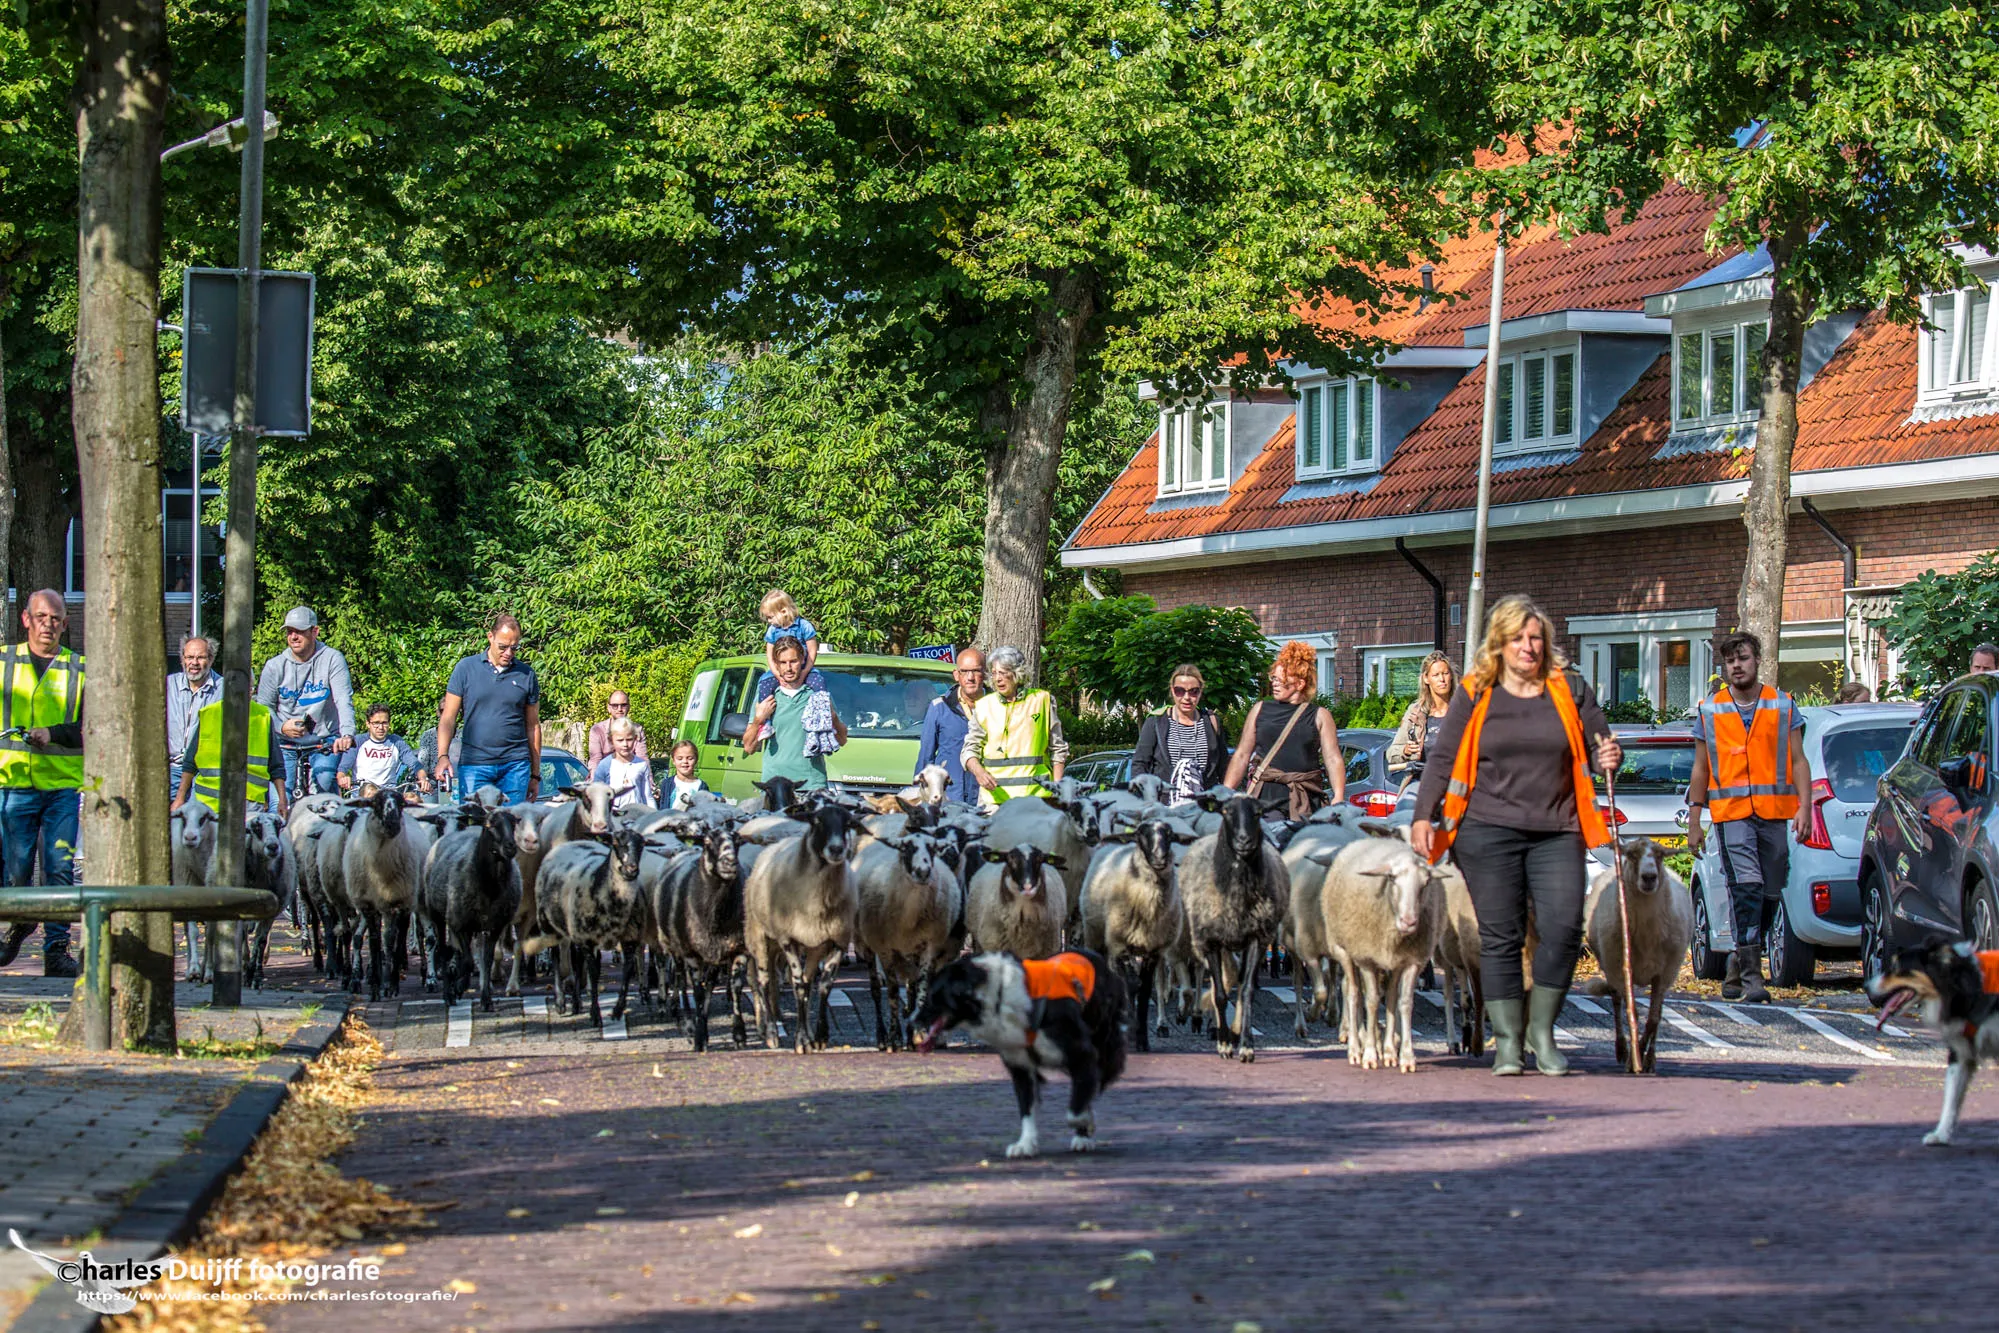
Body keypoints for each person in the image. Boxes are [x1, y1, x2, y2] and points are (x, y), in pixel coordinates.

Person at [1410, 594, 1623, 1076]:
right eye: (1518, 638)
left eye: (1536, 638)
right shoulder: (1475, 689)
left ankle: (1541, 1032)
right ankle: (1507, 1043)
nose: (1529, 647)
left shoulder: (1570, 687)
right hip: (1485, 829)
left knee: (1565, 928)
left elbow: (1601, 741)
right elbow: (1442, 758)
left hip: (1558, 827)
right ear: (1499, 644)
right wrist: (1424, 814)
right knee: (1500, 936)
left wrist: (1610, 756)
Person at [1685, 631, 1812, 1004]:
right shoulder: (1710, 710)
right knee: (1748, 886)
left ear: (1757, 660)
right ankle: (1755, 977)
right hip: (1732, 814)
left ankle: (1738, 965)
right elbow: (1700, 768)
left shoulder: (1782, 704)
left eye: (1743, 658)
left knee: (1771, 891)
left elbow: (1798, 760)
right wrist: (1695, 818)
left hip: (1774, 813)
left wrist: (1805, 806)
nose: (1736, 666)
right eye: (1730, 661)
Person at [0, 590, 85, 977]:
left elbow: (92, 727)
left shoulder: (79, 669)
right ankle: (21, 919)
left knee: (60, 867)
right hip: (13, 784)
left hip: (61, 788)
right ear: (26, 620)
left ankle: (56, 950)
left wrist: (53, 734)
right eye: (41, 617)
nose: (48, 625)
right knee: (15, 870)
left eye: (55, 619)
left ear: (65, 624)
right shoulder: (3, 662)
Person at [1222, 642, 1346, 816]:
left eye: (1280, 680)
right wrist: (1227, 791)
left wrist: (1338, 796)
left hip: (1306, 799)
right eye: (1273, 678)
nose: (1274, 684)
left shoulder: (1320, 715)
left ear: (1300, 683)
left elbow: (1332, 758)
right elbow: (1242, 754)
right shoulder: (1260, 709)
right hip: (1265, 799)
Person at [434, 612, 542, 804]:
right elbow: (448, 719)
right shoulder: (465, 669)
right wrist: (443, 755)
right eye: (503, 647)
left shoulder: (526, 675)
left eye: (514, 648)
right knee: (474, 827)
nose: (508, 653)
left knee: (512, 826)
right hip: (475, 764)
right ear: (490, 637)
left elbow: (533, 726)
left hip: (515, 765)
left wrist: (535, 774)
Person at [256, 606, 355, 797]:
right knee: (281, 796)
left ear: (314, 632)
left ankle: (332, 820)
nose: (293, 637)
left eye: (300, 631)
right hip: (285, 741)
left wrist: (347, 734)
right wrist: (281, 726)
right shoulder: (274, 666)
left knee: (325, 781)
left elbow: (343, 699)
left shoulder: (332, 659)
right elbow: (264, 707)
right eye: (289, 632)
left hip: (323, 739)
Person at [962, 645, 1068, 810]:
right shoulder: (983, 706)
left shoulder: (1042, 700)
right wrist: (979, 772)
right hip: (994, 802)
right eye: (995, 673)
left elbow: (1058, 750)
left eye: (1003, 672)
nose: (998, 679)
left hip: (1037, 800)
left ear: (1017, 673)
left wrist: (1058, 792)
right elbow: (969, 750)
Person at [746, 636, 847, 789]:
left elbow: (841, 740)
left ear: (802, 660)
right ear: (776, 664)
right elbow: (749, 748)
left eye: (793, 661)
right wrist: (758, 720)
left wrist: (832, 717)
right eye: (783, 662)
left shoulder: (817, 694)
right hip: (775, 785)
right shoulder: (767, 696)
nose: (788, 668)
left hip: (811, 785)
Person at [174, 694, 289, 817]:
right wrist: (179, 798)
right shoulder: (209, 714)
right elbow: (190, 763)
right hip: (208, 804)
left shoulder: (263, 717)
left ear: (252, 690)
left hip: (249, 804)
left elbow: (276, 765)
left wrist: (282, 800)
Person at [1132, 663, 1230, 801]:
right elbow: (1140, 764)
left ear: (1200, 691)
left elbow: (1223, 766)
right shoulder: (1156, 722)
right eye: (1180, 691)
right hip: (1165, 807)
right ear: (1172, 691)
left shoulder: (1211, 721)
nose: (1186, 697)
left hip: (1204, 807)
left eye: (1193, 691)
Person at [915, 647, 986, 803]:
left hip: (987, 797)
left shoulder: (998, 707)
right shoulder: (939, 707)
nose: (970, 677)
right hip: (950, 797)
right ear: (956, 675)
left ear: (985, 674)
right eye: (964, 671)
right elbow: (926, 758)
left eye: (976, 671)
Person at [1389, 651, 1459, 792]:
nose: (1442, 679)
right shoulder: (1415, 713)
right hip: (1421, 782)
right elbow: (1391, 753)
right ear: (1426, 679)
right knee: (1405, 807)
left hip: (1456, 782)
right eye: (1436, 675)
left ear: (1451, 676)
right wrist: (1406, 751)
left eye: (1445, 673)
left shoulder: (1463, 710)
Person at [166, 634, 221, 801]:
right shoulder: (168, 685)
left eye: (201, 657)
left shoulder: (224, 689)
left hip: (205, 772)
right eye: (189, 657)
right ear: (183, 659)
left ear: (211, 659)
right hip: (172, 768)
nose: (194, 663)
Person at [337, 704, 431, 794]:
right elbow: (342, 769)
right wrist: (343, 778)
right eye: (376, 723)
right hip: (362, 793)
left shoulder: (396, 742)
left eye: (384, 723)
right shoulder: (357, 741)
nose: (381, 727)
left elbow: (415, 765)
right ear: (368, 724)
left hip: (388, 793)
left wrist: (423, 779)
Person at [756, 589, 826, 703]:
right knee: (764, 683)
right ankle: (765, 718)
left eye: (771, 617)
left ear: (783, 611)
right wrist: (777, 674)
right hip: (779, 670)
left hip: (803, 668)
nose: (769, 621)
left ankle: (821, 713)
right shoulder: (773, 630)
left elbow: (812, 652)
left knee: (819, 682)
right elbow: (769, 655)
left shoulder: (804, 626)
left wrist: (805, 672)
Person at [592, 717, 656, 810]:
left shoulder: (641, 764)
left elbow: (647, 796)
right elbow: (596, 795)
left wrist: (654, 816)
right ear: (611, 740)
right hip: (613, 816)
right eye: (620, 740)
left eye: (629, 739)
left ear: (635, 739)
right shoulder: (605, 765)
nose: (625, 744)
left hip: (636, 816)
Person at [587, 691, 648, 768]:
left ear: (629, 707)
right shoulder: (597, 730)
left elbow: (642, 759)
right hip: (604, 775)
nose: (619, 709)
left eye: (623, 705)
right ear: (609, 708)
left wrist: (648, 778)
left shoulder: (637, 730)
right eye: (615, 705)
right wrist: (596, 778)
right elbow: (595, 761)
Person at [665, 739, 712, 809]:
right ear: (673, 761)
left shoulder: (701, 786)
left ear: (696, 760)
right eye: (680, 758)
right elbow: (663, 809)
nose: (685, 761)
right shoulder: (667, 783)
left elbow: (704, 810)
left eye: (690, 758)